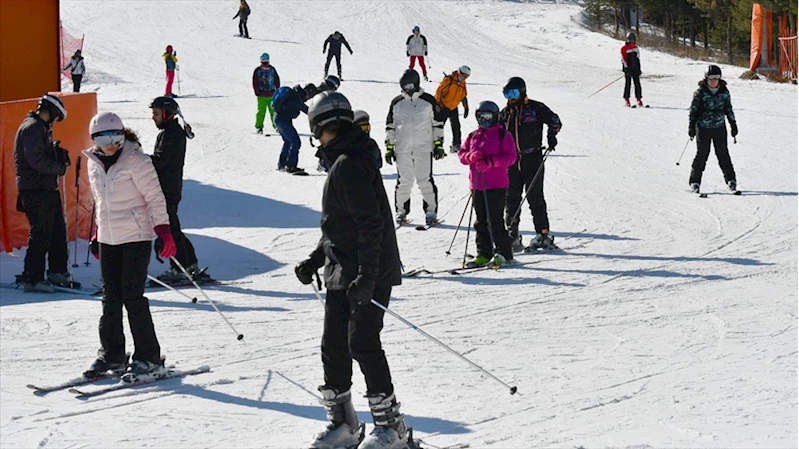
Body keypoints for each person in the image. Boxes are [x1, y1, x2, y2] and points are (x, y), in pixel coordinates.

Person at [296, 91, 409, 449]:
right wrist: (317, 259)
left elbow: (370, 225)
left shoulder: (349, 163)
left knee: (361, 342)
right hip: (342, 270)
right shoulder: (345, 160)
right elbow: (340, 225)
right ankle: (343, 423)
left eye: (316, 133)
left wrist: (367, 277)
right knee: (333, 345)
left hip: (365, 272)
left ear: (324, 127)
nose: (316, 140)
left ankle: (391, 427)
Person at [82, 112, 177, 378]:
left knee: (132, 297)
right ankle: (112, 355)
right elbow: (100, 203)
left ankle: (149, 357)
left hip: (136, 237)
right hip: (109, 238)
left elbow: (155, 199)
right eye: (102, 139)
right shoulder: (93, 163)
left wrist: (164, 232)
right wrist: (97, 234)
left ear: (123, 134)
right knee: (110, 298)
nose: (110, 144)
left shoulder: (137, 161)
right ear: (94, 140)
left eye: (115, 136)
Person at [13, 95, 72, 293]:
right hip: (35, 189)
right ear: (52, 112)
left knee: (56, 231)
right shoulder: (32, 128)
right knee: (41, 233)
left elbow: (39, 154)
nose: (56, 123)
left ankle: (57, 271)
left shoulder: (40, 128)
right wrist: (58, 167)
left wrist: (55, 152)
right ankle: (33, 278)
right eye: (57, 118)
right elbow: (35, 160)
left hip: (46, 188)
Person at [148, 96, 207, 283]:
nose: (153, 117)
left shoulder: (171, 134)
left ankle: (181, 267)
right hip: (169, 187)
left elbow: (160, 162)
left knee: (170, 228)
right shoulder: (169, 131)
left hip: (168, 188)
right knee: (173, 226)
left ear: (167, 114)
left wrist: (139, 159)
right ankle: (189, 263)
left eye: (156, 114)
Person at [500, 76, 561, 252]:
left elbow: (555, 120)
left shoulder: (535, 108)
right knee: (511, 199)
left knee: (535, 197)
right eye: (506, 94)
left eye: (513, 93)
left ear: (522, 91)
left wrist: (551, 134)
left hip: (532, 158)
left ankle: (542, 234)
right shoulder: (505, 114)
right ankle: (512, 235)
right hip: (511, 161)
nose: (510, 98)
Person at [458, 101, 517, 268]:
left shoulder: (503, 135)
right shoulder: (473, 135)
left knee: (495, 220)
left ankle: (504, 253)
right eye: (480, 117)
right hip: (477, 184)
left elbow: (511, 157)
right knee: (480, 221)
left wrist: (491, 162)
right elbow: (462, 154)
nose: (483, 120)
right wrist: (470, 156)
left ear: (495, 117)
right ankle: (484, 253)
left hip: (496, 184)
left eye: (487, 117)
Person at [385, 69, 445, 226]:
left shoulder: (428, 101)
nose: (407, 89)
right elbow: (390, 126)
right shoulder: (397, 102)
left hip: (423, 148)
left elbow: (437, 124)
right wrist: (390, 147)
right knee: (404, 181)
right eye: (404, 86)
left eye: (409, 86)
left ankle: (431, 211)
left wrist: (438, 144)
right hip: (402, 148)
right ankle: (401, 211)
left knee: (424, 180)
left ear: (417, 84)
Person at [688, 64, 739, 193]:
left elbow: (728, 109)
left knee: (723, 154)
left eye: (716, 78)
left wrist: (733, 124)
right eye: (710, 78)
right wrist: (691, 127)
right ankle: (695, 181)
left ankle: (731, 180)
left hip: (719, 128)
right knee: (702, 154)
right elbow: (693, 111)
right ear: (706, 79)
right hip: (703, 128)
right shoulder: (699, 93)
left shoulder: (724, 92)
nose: (713, 81)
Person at [273, 83, 317, 175]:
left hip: (279, 118)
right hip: (282, 120)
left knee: (288, 141)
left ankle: (282, 165)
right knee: (295, 142)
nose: (309, 99)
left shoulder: (294, 94)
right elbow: (306, 110)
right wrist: (318, 114)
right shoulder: (296, 97)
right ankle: (291, 166)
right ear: (308, 93)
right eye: (311, 96)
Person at [435, 65, 470, 153]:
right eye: (464, 76)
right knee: (439, 126)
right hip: (443, 106)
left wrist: (466, 106)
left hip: (453, 107)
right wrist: (437, 104)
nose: (464, 78)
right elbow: (439, 91)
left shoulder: (463, 84)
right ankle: (437, 145)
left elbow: (463, 95)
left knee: (456, 126)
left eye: (467, 77)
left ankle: (456, 145)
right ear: (459, 73)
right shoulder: (449, 80)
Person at [252, 53, 281, 134]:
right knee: (261, 111)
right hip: (261, 95)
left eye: (266, 61)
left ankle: (277, 126)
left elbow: (276, 80)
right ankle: (259, 127)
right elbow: (255, 81)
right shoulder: (257, 70)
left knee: (273, 112)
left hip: (271, 94)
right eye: (263, 61)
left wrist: (277, 91)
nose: (265, 63)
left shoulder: (272, 70)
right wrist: (257, 92)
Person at [621, 32, 643, 107]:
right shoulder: (624, 48)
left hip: (635, 69)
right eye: (631, 39)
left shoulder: (636, 48)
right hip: (628, 69)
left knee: (637, 84)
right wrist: (626, 68)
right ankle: (627, 99)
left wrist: (639, 68)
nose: (632, 41)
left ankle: (639, 99)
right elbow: (623, 59)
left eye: (633, 39)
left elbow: (638, 58)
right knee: (628, 84)